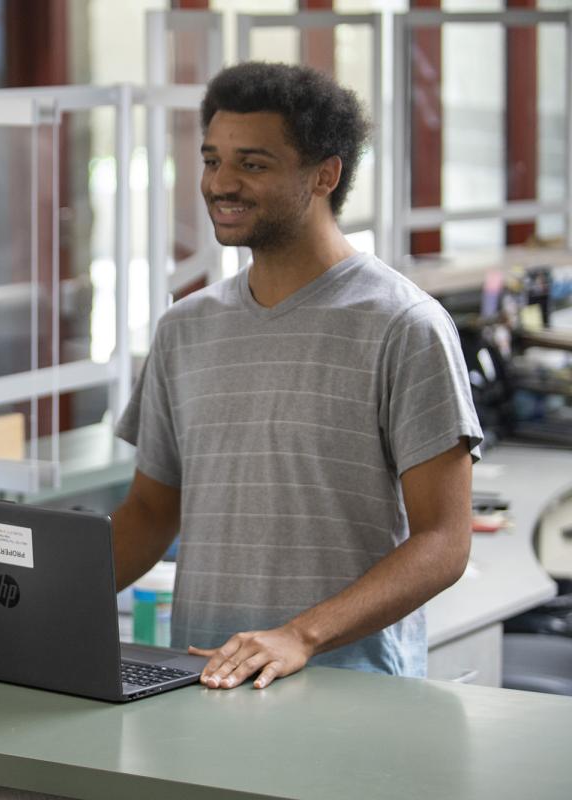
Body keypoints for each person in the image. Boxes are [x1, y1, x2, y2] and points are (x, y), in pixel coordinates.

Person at [113, 62, 482, 691]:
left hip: (353, 693)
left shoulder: (404, 326)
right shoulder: (185, 328)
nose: (220, 183)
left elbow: (445, 541)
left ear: (325, 175)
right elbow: (152, 510)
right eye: (211, 160)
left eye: (252, 164)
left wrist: (300, 635)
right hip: (201, 683)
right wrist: (30, 598)